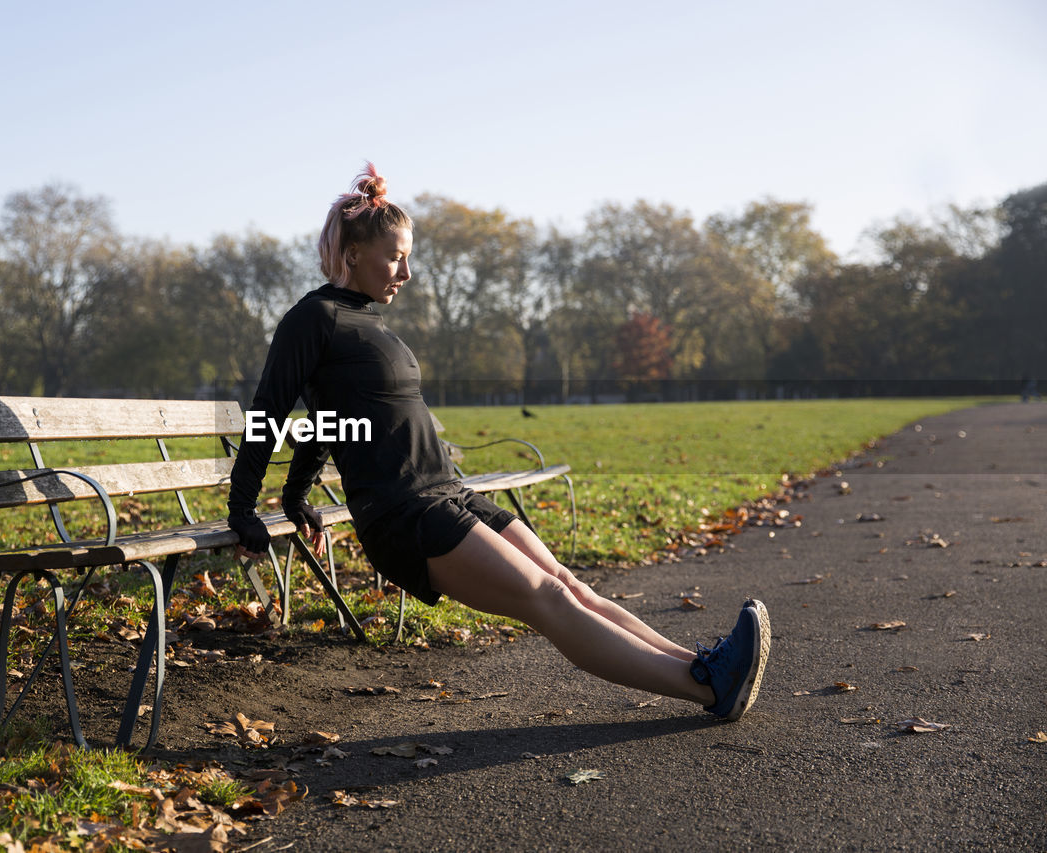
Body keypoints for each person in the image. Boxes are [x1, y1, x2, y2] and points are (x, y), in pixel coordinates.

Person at [226, 164, 769, 721]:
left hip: (446, 492)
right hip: (403, 515)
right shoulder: (311, 318)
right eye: (396, 257)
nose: (407, 273)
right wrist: (243, 508)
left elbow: (335, 420)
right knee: (548, 600)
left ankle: (703, 666)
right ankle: (706, 687)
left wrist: (297, 499)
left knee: (568, 585)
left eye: (409, 257)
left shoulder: (367, 321)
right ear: (354, 252)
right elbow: (269, 410)